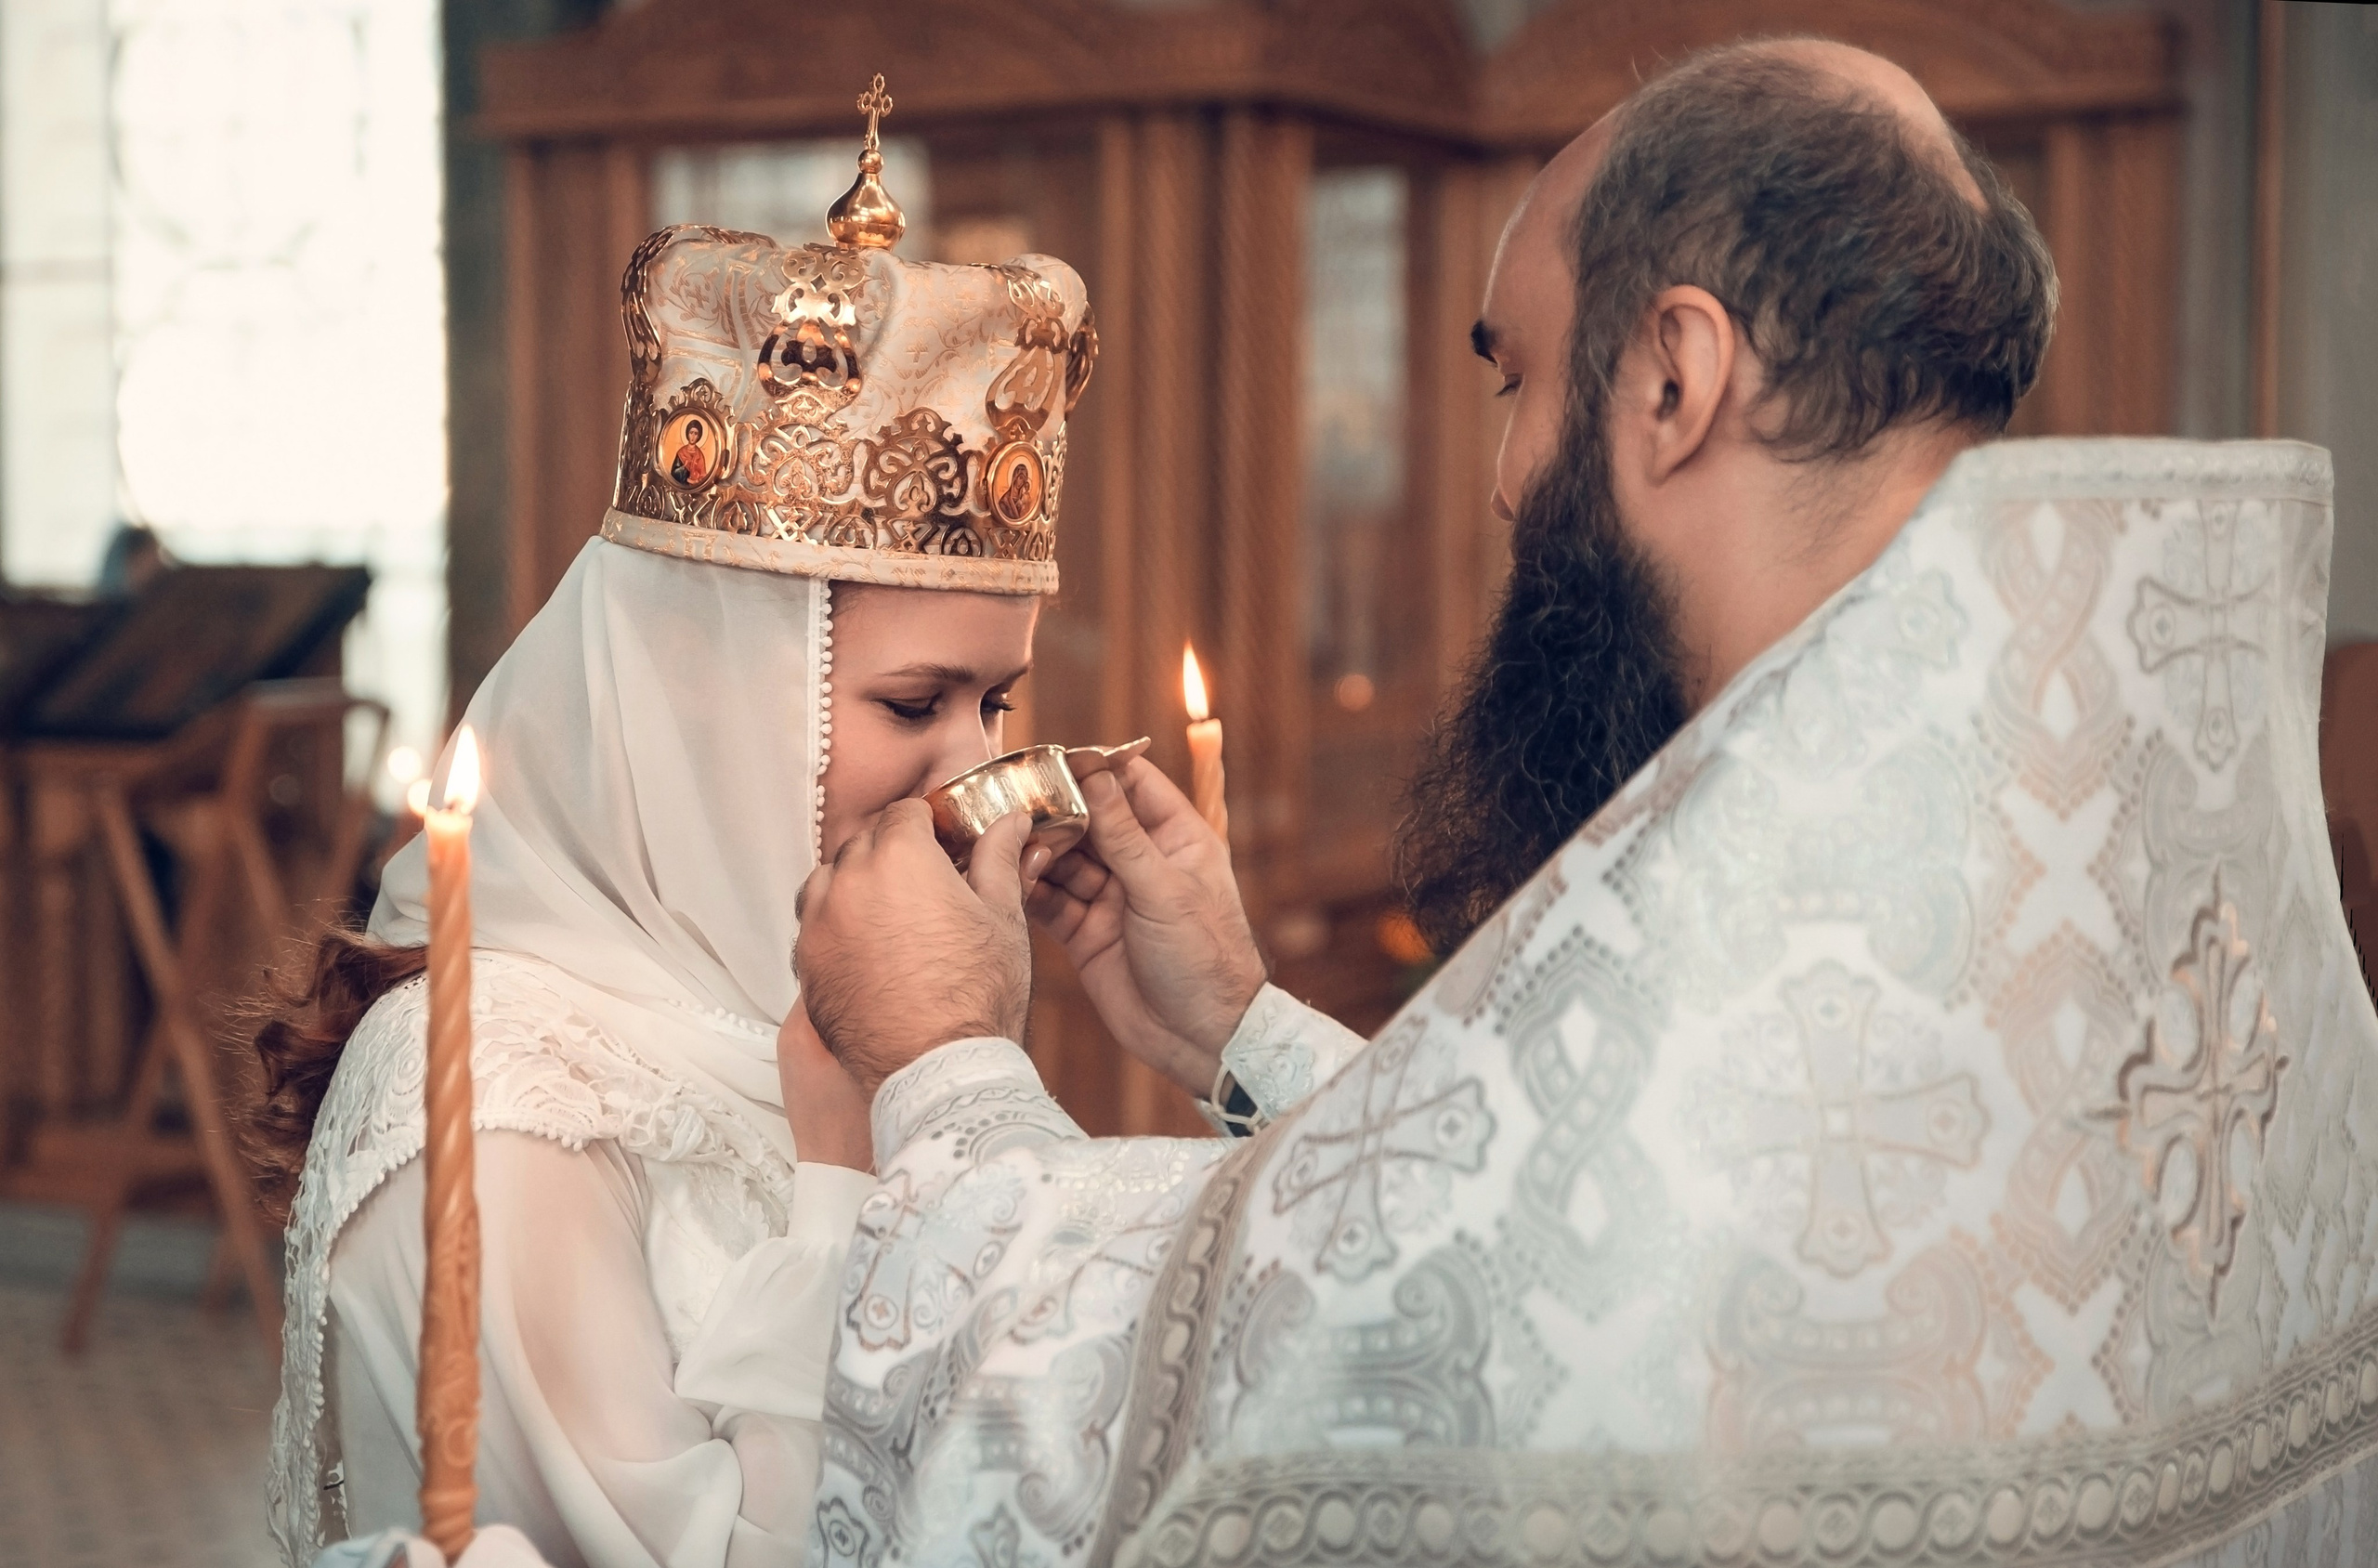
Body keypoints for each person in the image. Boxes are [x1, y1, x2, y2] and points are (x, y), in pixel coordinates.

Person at [791, 40, 2378, 1566]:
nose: (1501, 478)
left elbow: (1154, 1450)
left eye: (1521, 377)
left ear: (1676, 377)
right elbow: (1577, 1238)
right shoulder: (2119, 814)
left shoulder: (1769, 890)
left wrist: (949, 1070)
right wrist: (1246, 1034)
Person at [253, 134, 1096, 1568]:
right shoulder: (501, 1111)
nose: (981, 770)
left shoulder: (789, 994)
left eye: (997, 702)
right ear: (705, 704)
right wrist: (841, 1178)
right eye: (914, 704)